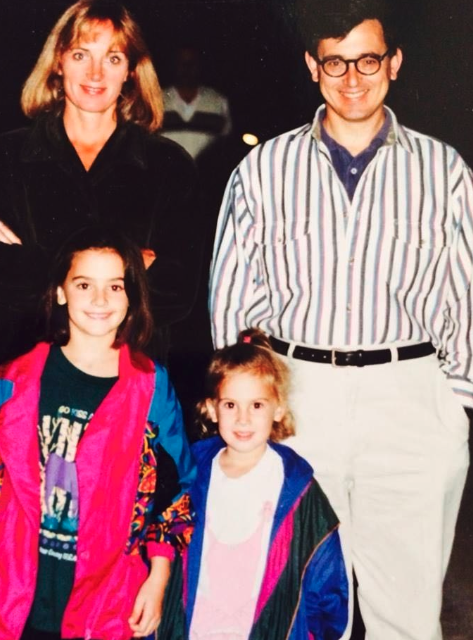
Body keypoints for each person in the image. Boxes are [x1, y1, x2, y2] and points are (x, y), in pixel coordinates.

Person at [209, 1, 473, 638]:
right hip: (299, 396)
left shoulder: (444, 172)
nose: (352, 78)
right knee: (293, 604)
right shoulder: (263, 171)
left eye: (367, 60)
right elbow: (231, 304)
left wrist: (452, 410)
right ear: (312, 66)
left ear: (394, 63)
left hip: (410, 398)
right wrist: (248, 411)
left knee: (407, 615)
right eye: (335, 61)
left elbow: (465, 298)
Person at [0, 226, 195, 640]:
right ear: (59, 292)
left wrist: (158, 578)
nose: (100, 300)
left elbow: (176, 491)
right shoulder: (13, 382)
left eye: (115, 286)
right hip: (15, 593)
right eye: (84, 284)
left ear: (132, 297)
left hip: (104, 602)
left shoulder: (151, 388)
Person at [0, 0, 201, 365]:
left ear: (131, 71)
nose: (95, 74)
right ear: (58, 62)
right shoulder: (8, 156)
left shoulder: (169, 165)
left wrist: (42, 266)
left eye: (112, 58)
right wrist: (129, 269)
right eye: (81, 55)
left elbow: (178, 293)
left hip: (132, 381)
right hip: (25, 377)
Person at [159, 328, 348, 640]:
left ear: (278, 409)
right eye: (231, 405)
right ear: (211, 408)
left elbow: (327, 579)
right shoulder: (190, 478)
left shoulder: (297, 489)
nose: (243, 419)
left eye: (257, 405)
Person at [161, 46, 232, 160]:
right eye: (182, 63)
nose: (186, 68)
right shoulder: (158, 100)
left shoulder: (218, 101)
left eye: (191, 63)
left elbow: (225, 144)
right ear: (174, 66)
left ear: (200, 66)